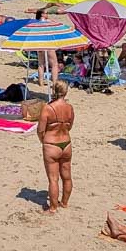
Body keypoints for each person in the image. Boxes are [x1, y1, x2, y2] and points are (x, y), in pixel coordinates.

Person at [37, 79, 74, 213]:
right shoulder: (69, 108)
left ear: (54, 90)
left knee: (53, 179)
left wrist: (44, 141)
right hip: (66, 143)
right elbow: (70, 126)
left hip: (51, 144)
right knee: (67, 176)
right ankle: (64, 203)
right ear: (65, 92)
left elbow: (40, 130)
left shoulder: (47, 108)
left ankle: (53, 207)